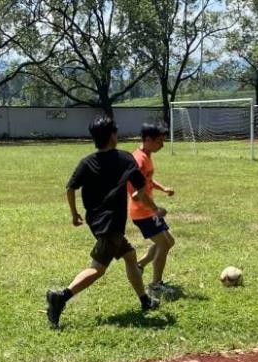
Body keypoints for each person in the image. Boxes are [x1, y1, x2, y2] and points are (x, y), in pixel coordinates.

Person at [46, 115, 165, 328]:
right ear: (112, 136)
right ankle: (61, 297)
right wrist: (155, 209)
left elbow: (70, 188)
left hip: (97, 221)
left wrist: (74, 214)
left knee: (130, 256)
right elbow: (140, 190)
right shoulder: (125, 158)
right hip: (112, 225)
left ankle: (145, 301)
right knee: (98, 268)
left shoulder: (87, 161)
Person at [128, 122, 175, 292]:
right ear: (148, 139)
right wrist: (155, 209)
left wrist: (163, 188)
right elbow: (136, 193)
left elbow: (147, 181)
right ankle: (156, 284)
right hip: (142, 213)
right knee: (164, 244)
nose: (162, 145)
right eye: (159, 141)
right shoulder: (139, 160)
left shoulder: (146, 156)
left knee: (169, 242)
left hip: (148, 211)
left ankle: (139, 265)